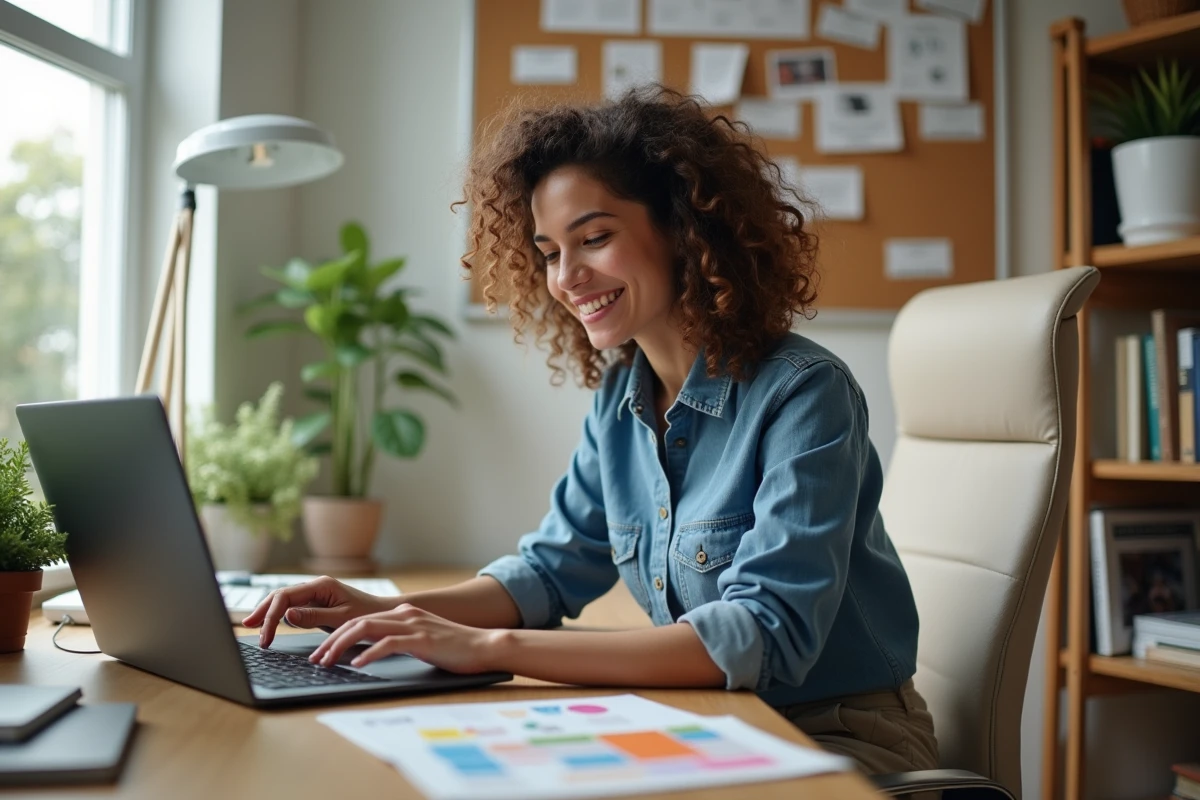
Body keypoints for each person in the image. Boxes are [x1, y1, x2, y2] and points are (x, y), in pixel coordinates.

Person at [243, 87, 938, 776]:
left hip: (839, 734)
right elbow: (547, 573)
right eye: (547, 251)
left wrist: (489, 647)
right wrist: (384, 608)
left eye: (594, 238)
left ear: (682, 228)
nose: (566, 277)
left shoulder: (805, 393)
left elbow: (765, 634)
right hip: (711, 722)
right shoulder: (620, 401)